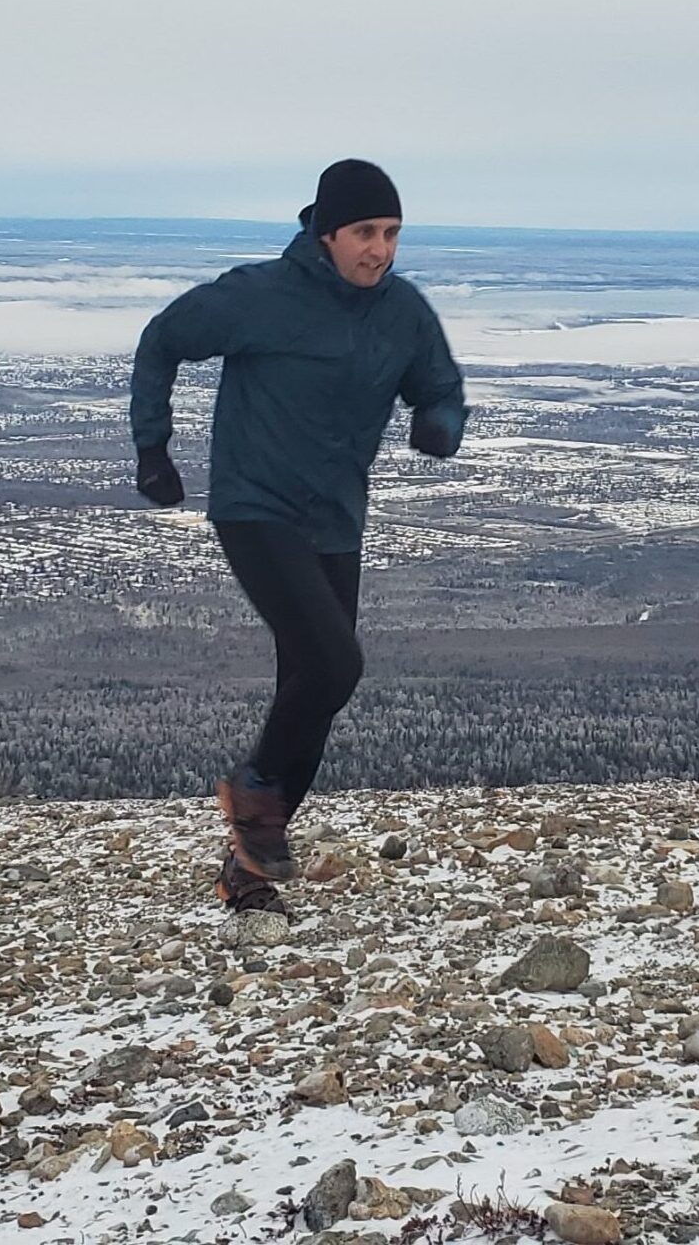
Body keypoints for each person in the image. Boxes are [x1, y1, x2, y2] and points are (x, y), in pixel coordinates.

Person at [129, 159, 468, 916]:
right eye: (365, 233)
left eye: (392, 233)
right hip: (258, 507)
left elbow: (439, 385)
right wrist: (153, 447)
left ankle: (246, 866)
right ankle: (253, 796)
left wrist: (439, 424)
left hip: (337, 517)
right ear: (326, 233)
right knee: (334, 661)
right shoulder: (259, 297)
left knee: (312, 693)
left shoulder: (401, 312)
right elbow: (163, 340)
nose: (379, 249)